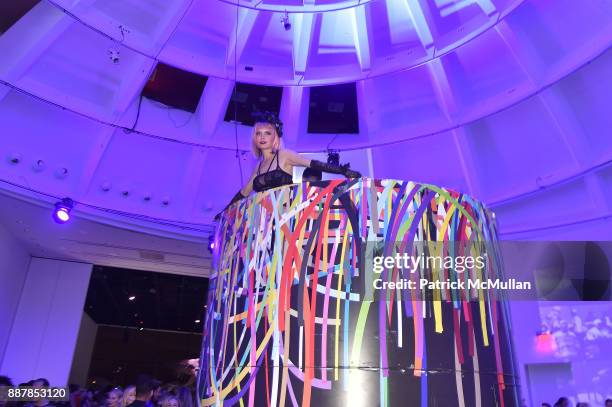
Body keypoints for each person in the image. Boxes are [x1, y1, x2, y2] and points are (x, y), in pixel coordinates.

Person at [218, 113, 361, 217]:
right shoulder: (259, 166)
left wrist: (343, 171)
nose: (262, 137)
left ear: (276, 137)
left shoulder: (284, 155)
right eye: (258, 133)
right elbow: (244, 193)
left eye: (267, 133)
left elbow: (314, 164)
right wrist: (224, 211)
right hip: (265, 218)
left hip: (286, 215)